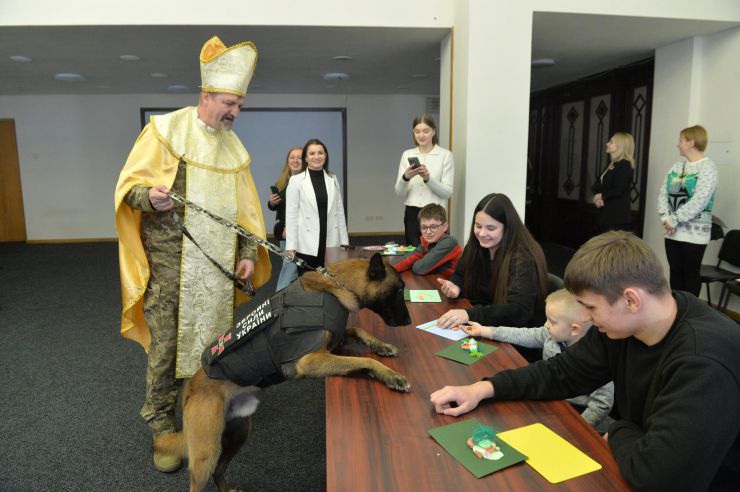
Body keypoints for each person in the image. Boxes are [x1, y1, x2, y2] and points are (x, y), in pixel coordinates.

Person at [431, 231, 740, 491]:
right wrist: (481, 389)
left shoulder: (703, 361)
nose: (586, 319)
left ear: (631, 300)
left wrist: (619, 429)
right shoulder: (624, 327)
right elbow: (560, 374)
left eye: (591, 308)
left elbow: (660, 476)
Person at [114, 36, 271, 473]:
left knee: (215, 347)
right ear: (205, 96)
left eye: (239, 104)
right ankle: (162, 426)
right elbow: (130, 190)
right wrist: (152, 198)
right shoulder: (165, 132)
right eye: (227, 102)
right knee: (166, 352)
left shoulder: (234, 149)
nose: (234, 112)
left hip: (217, 274)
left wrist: (244, 252)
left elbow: (245, 212)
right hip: (170, 270)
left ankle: (207, 411)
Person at [461, 289, 614, 432]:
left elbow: (601, 405)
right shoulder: (553, 334)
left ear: (574, 329)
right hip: (552, 401)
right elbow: (524, 334)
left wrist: (576, 431)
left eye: (552, 322)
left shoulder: (598, 358)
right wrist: (486, 331)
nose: (546, 325)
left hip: (579, 418)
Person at [436, 193, 548, 330]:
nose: (482, 234)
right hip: (484, 326)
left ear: (507, 228)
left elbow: (519, 311)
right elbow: (460, 275)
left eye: (491, 228)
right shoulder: (475, 245)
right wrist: (456, 287)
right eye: (478, 226)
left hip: (514, 336)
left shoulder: (523, 258)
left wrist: (469, 314)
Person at [657, 125, 718, 296]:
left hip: (695, 234)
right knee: (675, 272)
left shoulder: (708, 168)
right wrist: (664, 216)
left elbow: (699, 200)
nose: (678, 144)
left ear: (691, 142)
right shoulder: (677, 167)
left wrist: (673, 220)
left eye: (681, 140)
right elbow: (664, 193)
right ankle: (676, 311)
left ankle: (690, 315)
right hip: (672, 230)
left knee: (690, 274)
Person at [285, 138, 349, 270]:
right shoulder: (296, 180)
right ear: (306, 158)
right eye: (312, 153)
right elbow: (291, 215)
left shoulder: (333, 178)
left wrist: (344, 242)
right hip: (306, 243)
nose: (316, 157)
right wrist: (290, 246)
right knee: (309, 283)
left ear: (325, 156)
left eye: (320, 153)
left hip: (331, 240)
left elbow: (339, 212)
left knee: (332, 282)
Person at [394, 113, 454, 246]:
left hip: (435, 213)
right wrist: (405, 178)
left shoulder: (445, 155)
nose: (421, 135)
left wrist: (428, 179)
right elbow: (399, 193)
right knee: (414, 252)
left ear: (434, 131)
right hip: (412, 212)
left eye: (426, 131)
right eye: (417, 131)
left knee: (436, 253)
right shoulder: (407, 155)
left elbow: (447, 193)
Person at [389, 203, 462, 278]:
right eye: (424, 228)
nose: (428, 232)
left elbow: (419, 268)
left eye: (433, 227)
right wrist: (387, 269)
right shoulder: (426, 243)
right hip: (439, 283)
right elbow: (407, 259)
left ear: (445, 226)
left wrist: (415, 263)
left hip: (456, 286)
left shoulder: (449, 242)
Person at [267, 146, 303, 291]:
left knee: (290, 270)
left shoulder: (306, 182)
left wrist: (292, 228)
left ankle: (279, 299)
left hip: (297, 233)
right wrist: (272, 203)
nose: (295, 160)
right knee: (290, 267)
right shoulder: (283, 181)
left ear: (305, 160)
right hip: (284, 234)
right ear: (287, 161)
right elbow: (281, 207)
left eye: (299, 157)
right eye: (292, 157)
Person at [592, 132, 635, 233]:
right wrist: (598, 197)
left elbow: (618, 190)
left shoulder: (625, 165)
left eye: (611, 142)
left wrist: (601, 195)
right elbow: (597, 185)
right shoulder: (613, 164)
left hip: (616, 217)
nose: (607, 144)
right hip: (606, 214)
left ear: (620, 146)